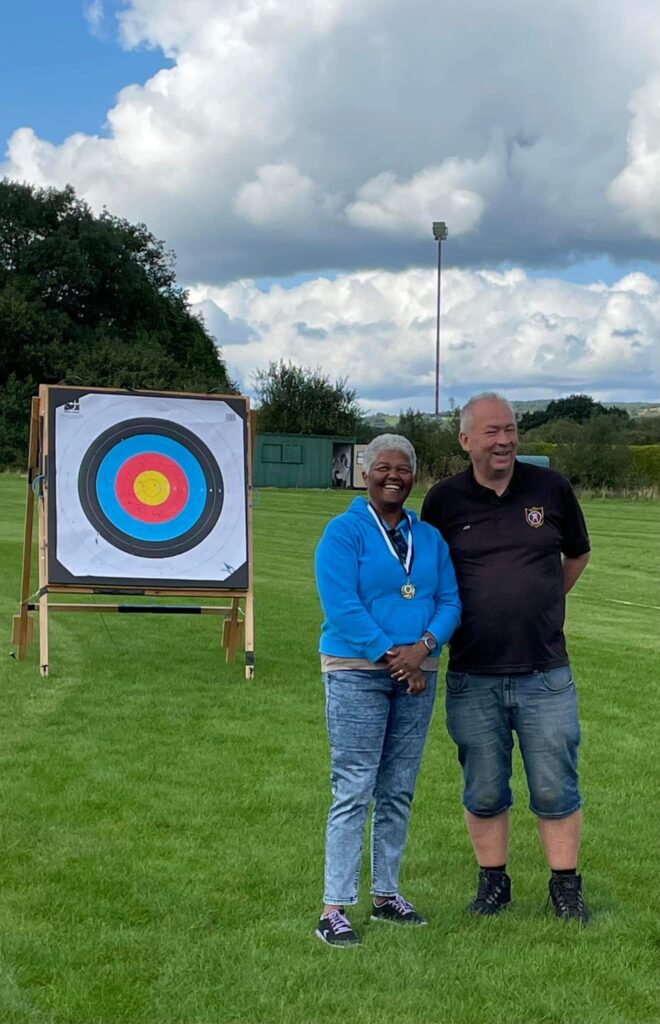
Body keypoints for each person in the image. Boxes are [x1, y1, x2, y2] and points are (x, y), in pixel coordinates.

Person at [421, 393, 591, 924]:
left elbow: (578, 553)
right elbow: (429, 577)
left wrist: (541, 601)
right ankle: (494, 884)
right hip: (473, 674)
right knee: (485, 786)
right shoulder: (443, 501)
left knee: (555, 784)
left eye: (511, 430)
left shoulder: (552, 488)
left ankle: (566, 888)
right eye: (492, 431)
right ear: (466, 439)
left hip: (546, 673)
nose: (505, 440)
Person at [314, 434, 461, 946]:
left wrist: (421, 648)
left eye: (403, 469)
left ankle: (386, 895)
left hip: (418, 671)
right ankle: (334, 907)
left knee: (398, 788)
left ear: (414, 477)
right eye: (382, 467)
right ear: (365, 474)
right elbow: (341, 603)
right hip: (357, 670)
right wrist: (393, 657)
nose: (393, 476)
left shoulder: (432, 539)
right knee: (355, 786)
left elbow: (450, 602)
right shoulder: (344, 532)